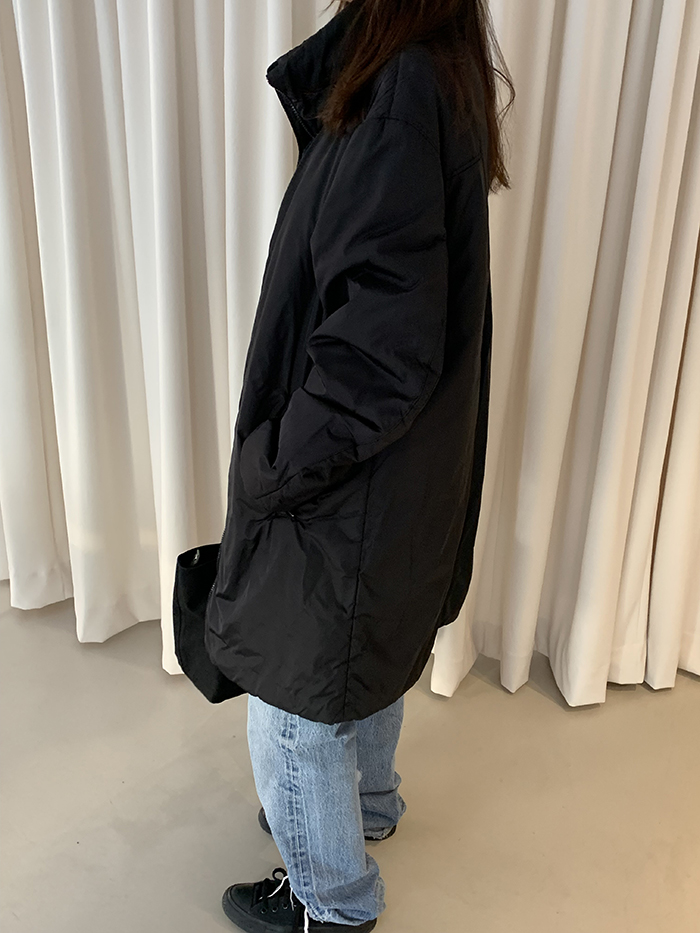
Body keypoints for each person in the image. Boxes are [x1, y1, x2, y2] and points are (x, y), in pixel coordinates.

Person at [206, 0, 514, 929]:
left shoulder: (398, 90)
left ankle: (332, 901)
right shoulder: (433, 74)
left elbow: (378, 356)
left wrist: (270, 466)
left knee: (294, 699)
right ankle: (366, 806)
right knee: (365, 654)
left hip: (351, 483)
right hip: (402, 479)